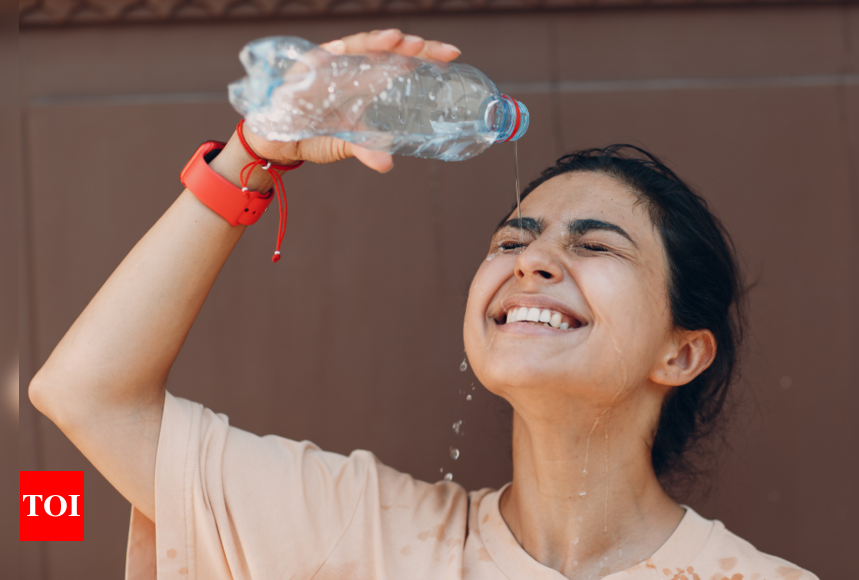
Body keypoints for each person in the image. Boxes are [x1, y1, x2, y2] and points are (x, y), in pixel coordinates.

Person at [29, 29, 818, 580]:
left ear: (679, 352)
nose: (531, 260)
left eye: (594, 244)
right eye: (512, 240)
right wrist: (253, 154)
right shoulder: (365, 531)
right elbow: (84, 395)